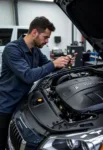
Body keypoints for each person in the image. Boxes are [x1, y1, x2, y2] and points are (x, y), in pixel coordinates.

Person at [0, 16, 75, 150]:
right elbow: (28, 76)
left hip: (21, 102)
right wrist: (53, 64)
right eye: (45, 37)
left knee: (13, 140)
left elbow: (47, 65)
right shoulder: (12, 49)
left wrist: (62, 63)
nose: (46, 41)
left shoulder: (35, 51)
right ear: (34, 32)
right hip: (5, 105)